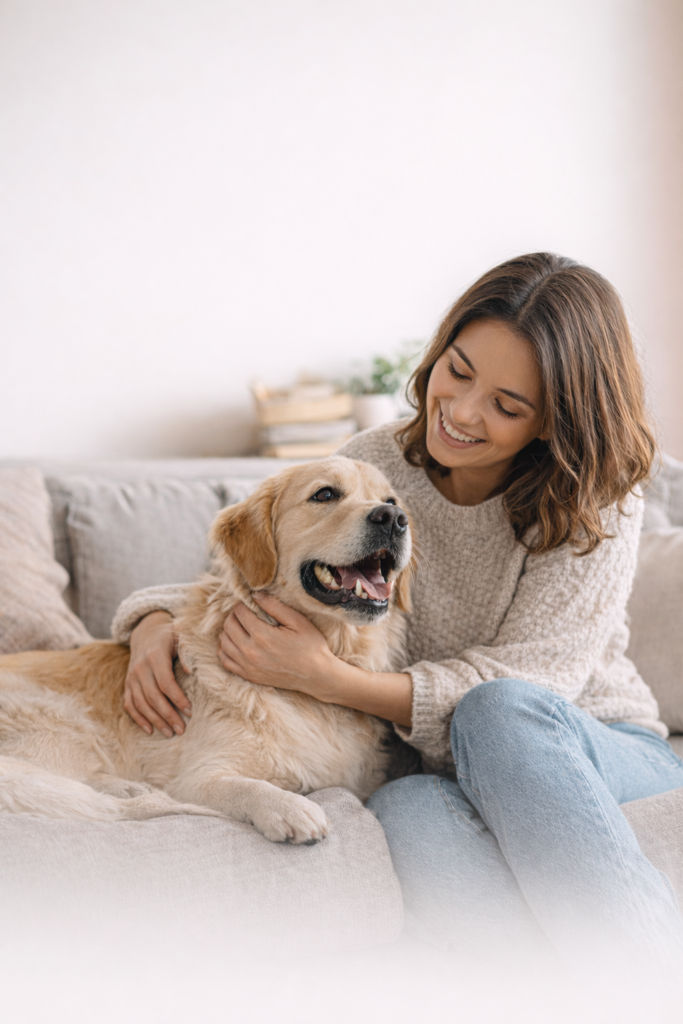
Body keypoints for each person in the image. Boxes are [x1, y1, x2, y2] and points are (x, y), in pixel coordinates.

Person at [112, 253, 683, 966]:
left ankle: (649, 979)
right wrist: (153, 622)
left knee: (497, 710)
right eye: (458, 370)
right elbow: (257, 572)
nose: (462, 412)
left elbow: (537, 682)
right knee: (402, 806)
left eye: (507, 406)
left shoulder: (595, 498)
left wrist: (330, 680)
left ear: (553, 422)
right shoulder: (374, 463)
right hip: (438, 767)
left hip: (594, 744)